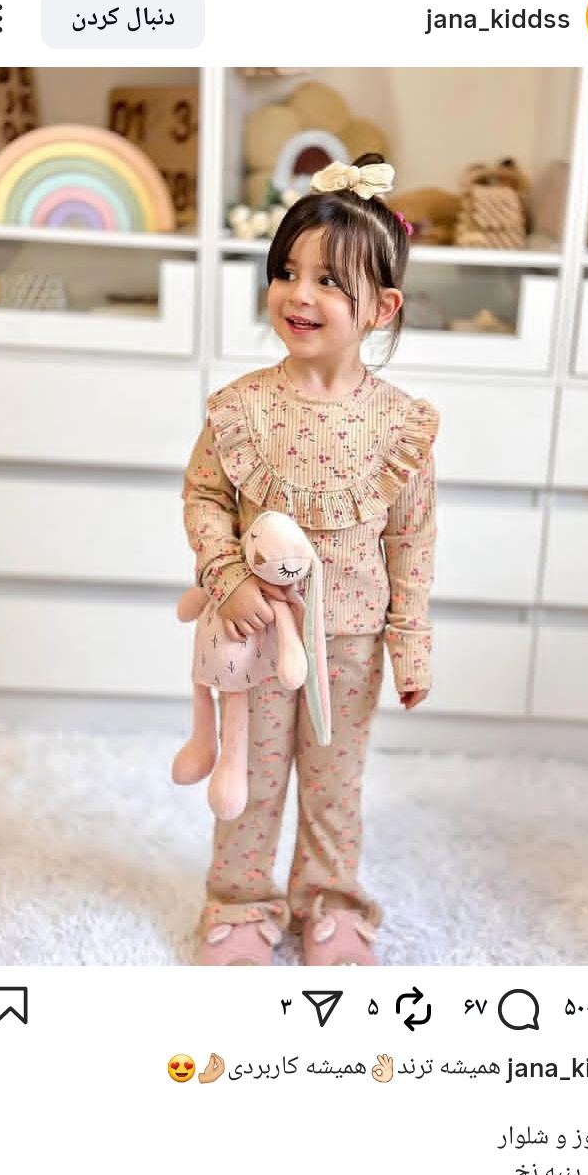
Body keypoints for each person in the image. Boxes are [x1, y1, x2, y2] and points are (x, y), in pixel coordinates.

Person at [181, 154, 439, 966]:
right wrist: (227, 579)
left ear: (382, 307)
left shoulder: (401, 426)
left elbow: (412, 541)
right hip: (254, 638)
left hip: (351, 643)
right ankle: (239, 903)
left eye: (329, 281)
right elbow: (204, 498)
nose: (300, 294)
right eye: (287, 272)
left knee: (334, 784)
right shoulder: (242, 408)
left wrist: (410, 642)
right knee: (250, 778)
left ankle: (330, 901)